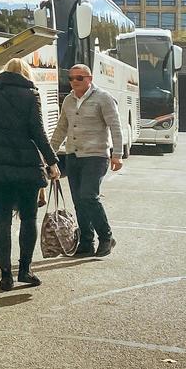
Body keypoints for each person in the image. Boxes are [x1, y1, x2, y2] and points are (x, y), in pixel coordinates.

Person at [0, 58, 61, 291]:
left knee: (2, 219)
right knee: (29, 218)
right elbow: (38, 133)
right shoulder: (31, 96)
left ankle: (5, 275)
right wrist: (52, 162)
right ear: (27, 75)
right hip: (26, 164)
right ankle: (25, 271)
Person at [50, 64, 124, 258]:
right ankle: (86, 242)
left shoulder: (103, 98)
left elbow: (115, 127)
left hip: (96, 155)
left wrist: (117, 154)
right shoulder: (68, 100)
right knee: (78, 200)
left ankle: (106, 237)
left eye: (79, 78)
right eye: (71, 78)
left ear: (89, 78)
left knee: (88, 196)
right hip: (73, 156)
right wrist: (49, 154)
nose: (74, 82)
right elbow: (61, 129)